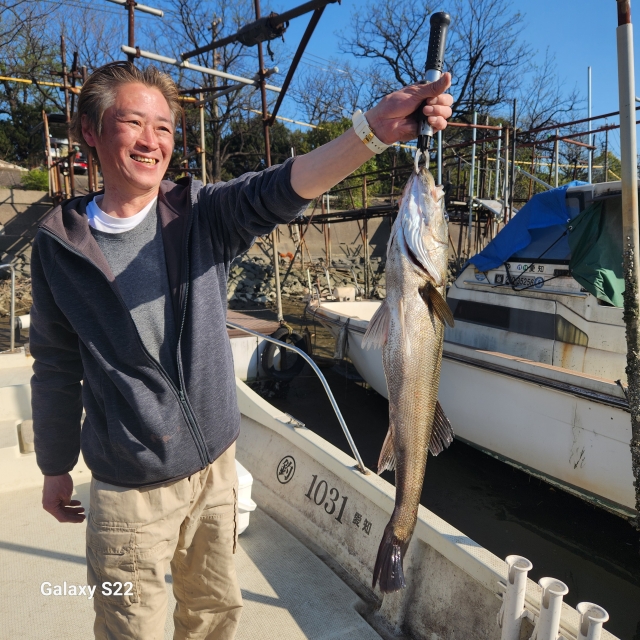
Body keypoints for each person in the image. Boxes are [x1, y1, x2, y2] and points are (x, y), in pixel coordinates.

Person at [31, 60, 452, 640]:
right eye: (134, 122)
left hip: (216, 474)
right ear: (90, 130)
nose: (152, 141)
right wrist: (54, 465)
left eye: (164, 128)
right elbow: (55, 364)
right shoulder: (58, 246)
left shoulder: (201, 215)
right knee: (130, 630)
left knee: (214, 619)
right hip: (128, 489)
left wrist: (373, 131)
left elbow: (282, 187)